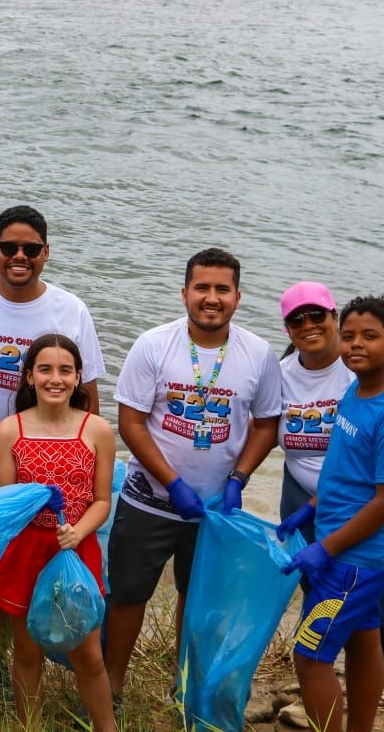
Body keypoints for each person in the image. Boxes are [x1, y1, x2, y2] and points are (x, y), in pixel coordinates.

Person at [0, 204, 106, 687]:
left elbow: (88, 393)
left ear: (46, 253)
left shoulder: (70, 310)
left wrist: (87, 462)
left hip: (38, 470)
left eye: (31, 249)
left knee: (9, 574)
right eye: (9, 247)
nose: (19, 256)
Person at [103, 248, 282, 696]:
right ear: (184, 293)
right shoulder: (153, 344)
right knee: (127, 596)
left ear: (238, 297)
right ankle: (111, 686)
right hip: (148, 501)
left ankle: (184, 689)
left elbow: (266, 425)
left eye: (222, 289)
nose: (211, 298)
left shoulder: (258, 354)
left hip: (214, 509)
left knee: (199, 602)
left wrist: (239, 480)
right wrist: (173, 483)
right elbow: (130, 423)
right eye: (202, 287)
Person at [273, 289, 384, 732]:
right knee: (363, 638)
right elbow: (349, 474)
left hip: (356, 560)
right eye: (350, 336)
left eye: (371, 337)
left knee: (309, 655)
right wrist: (312, 509)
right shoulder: (356, 392)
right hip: (348, 548)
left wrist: (326, 549)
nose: (357, 344)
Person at [0, 334, 116, 731]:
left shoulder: (98, 430)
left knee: (88, 654)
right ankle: (28, 725)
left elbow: (102, 501)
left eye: (65, 370)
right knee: (27, 653)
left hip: (76, 551)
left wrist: (77, 531)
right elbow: (2, 505)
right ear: (28, 377)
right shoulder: (10, 430)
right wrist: (31, 505)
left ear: (78, 378)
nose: (54, 379)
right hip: (26, 553)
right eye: (44, 369)